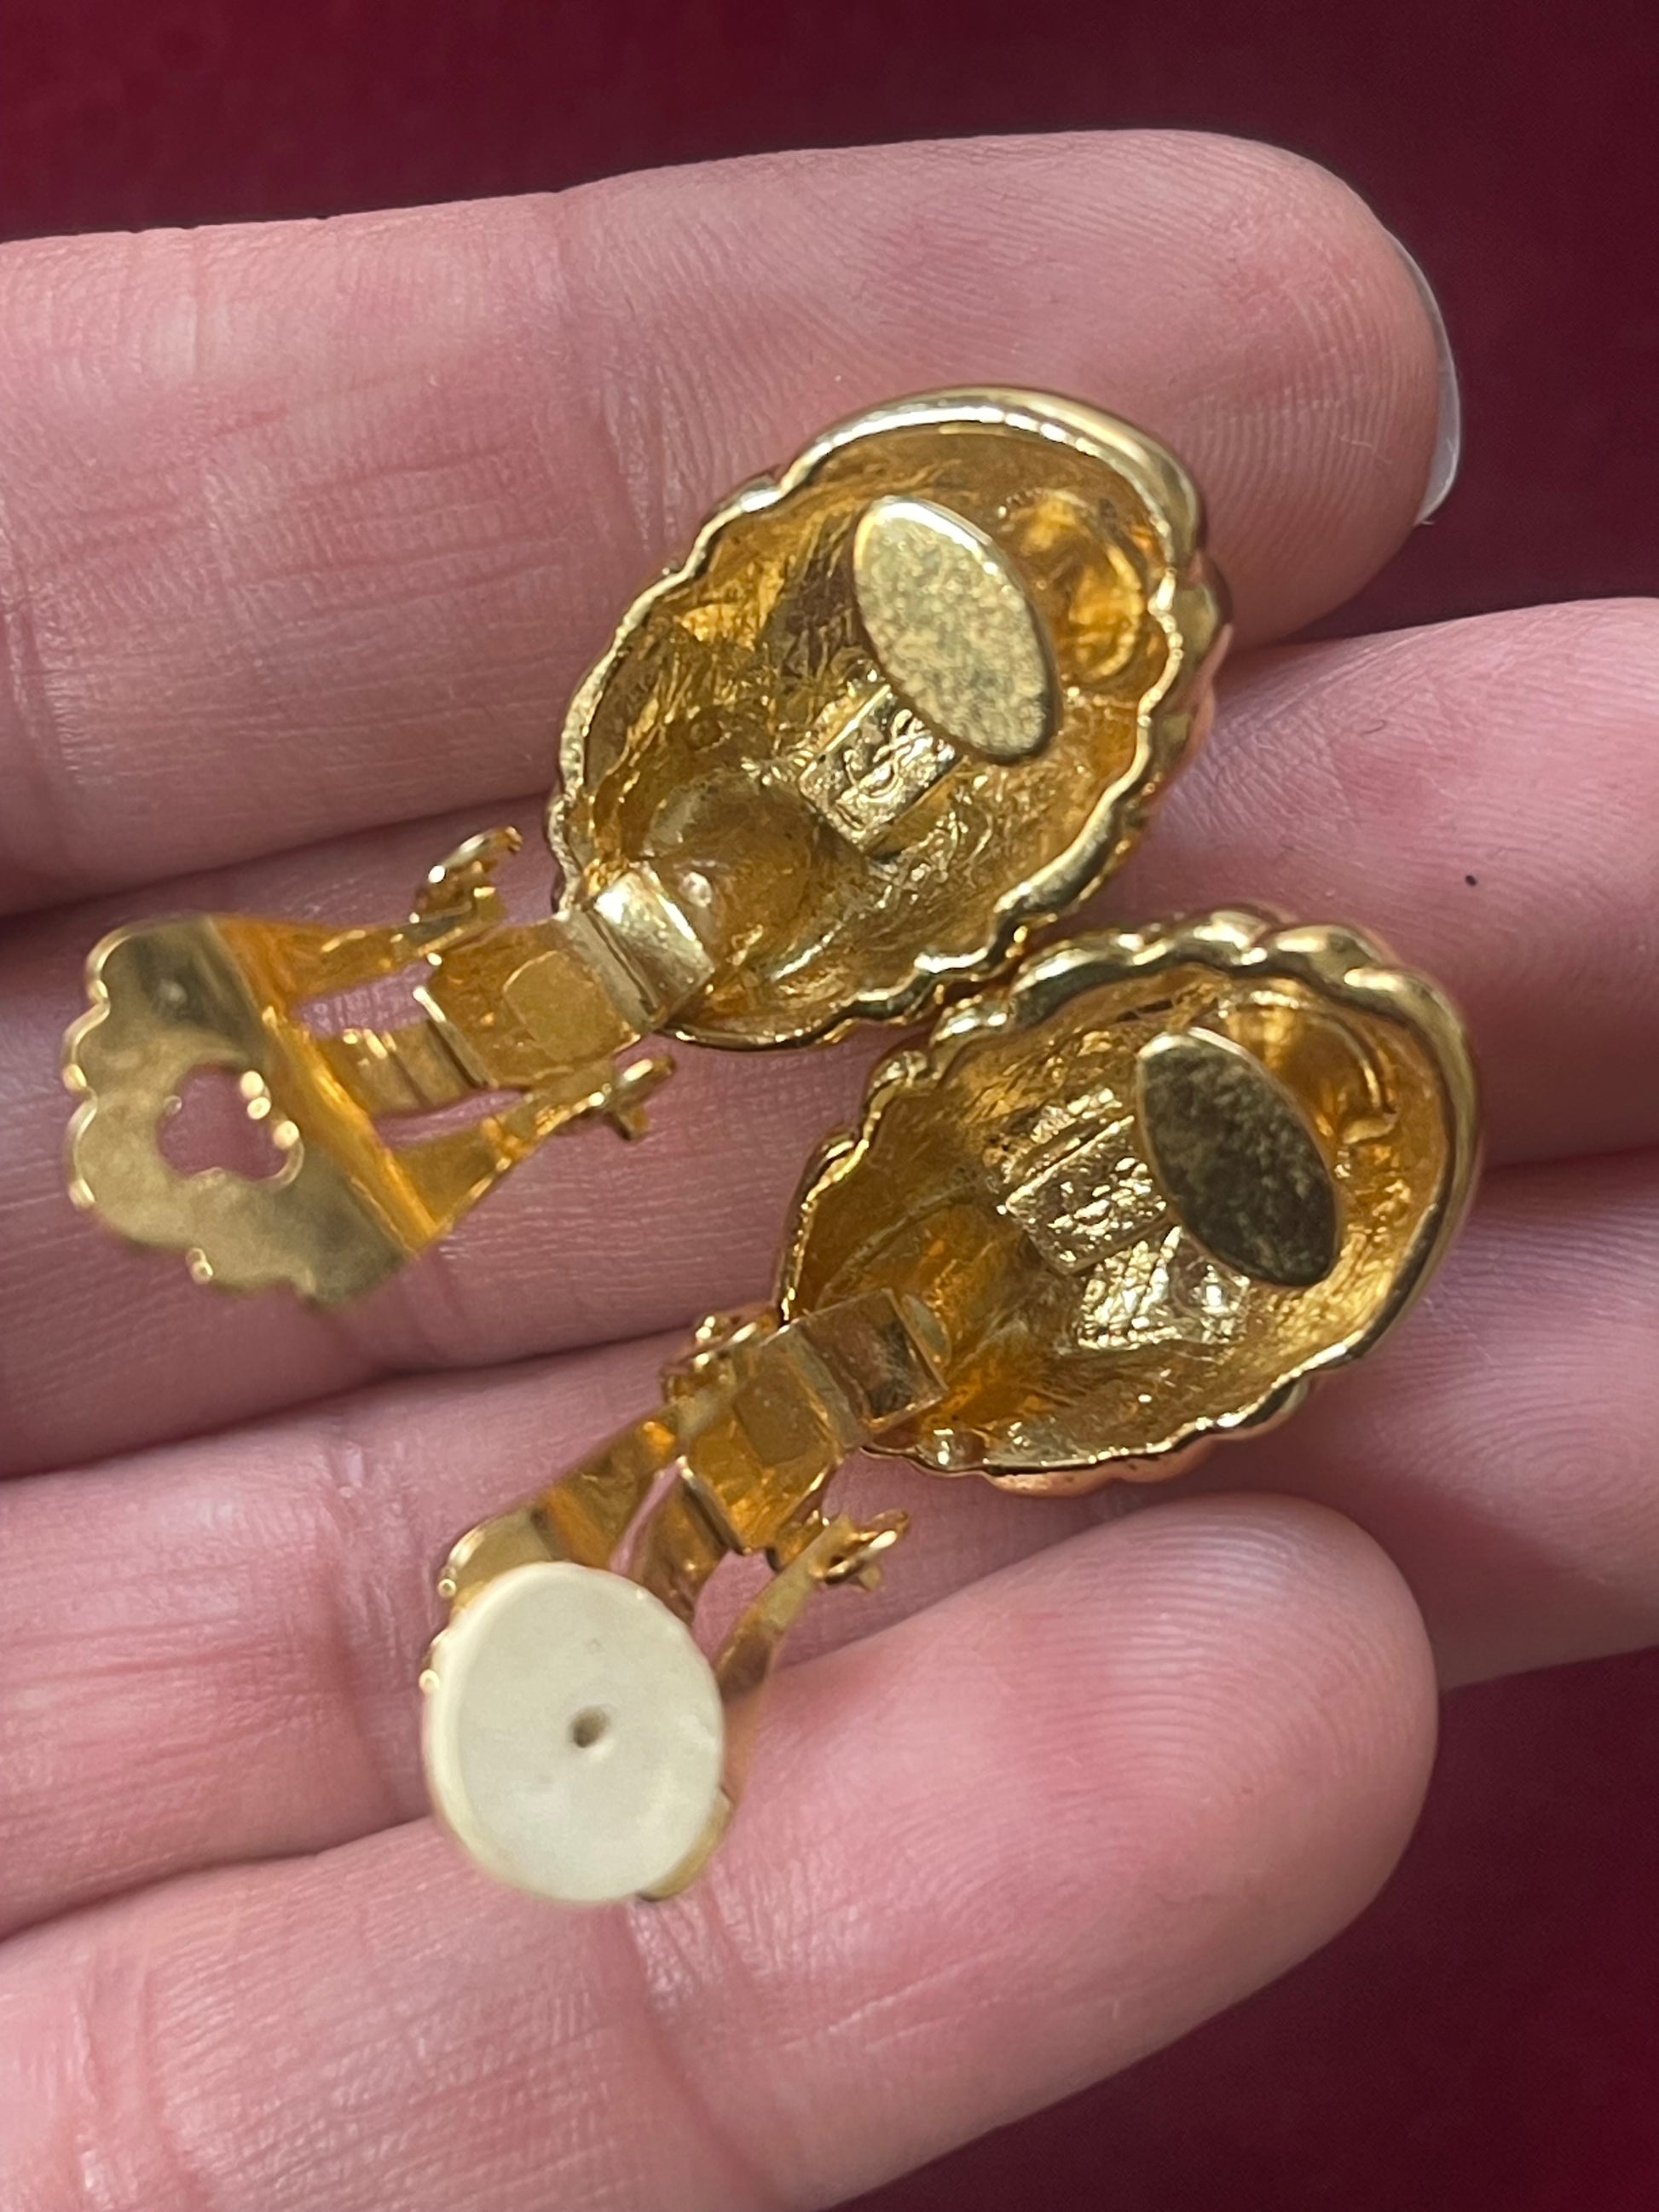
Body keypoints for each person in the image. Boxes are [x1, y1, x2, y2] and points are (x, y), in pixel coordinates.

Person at [1, 128, 1653, 2210]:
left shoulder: (872, 1180)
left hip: (868, 1157)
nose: (1069, 599)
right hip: (763, 1028)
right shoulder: (716, 908)